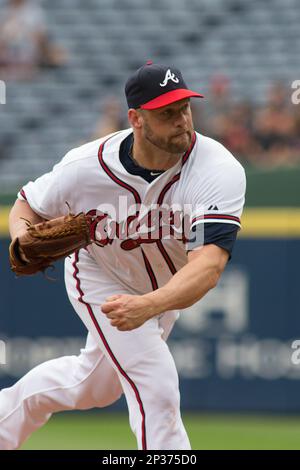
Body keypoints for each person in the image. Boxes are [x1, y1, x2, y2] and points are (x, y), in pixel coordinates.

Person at [1, 62, 246, 450]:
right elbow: (25, 206)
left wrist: (148, 305)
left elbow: (209, 265)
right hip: (101, 276)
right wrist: (22, 237)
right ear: (136, 118)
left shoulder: (216, 169)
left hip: (162, 290)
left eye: (185, 107)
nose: (182, 120)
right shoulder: (84, 167)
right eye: (167, 113)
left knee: (91, 388)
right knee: (156, 382)